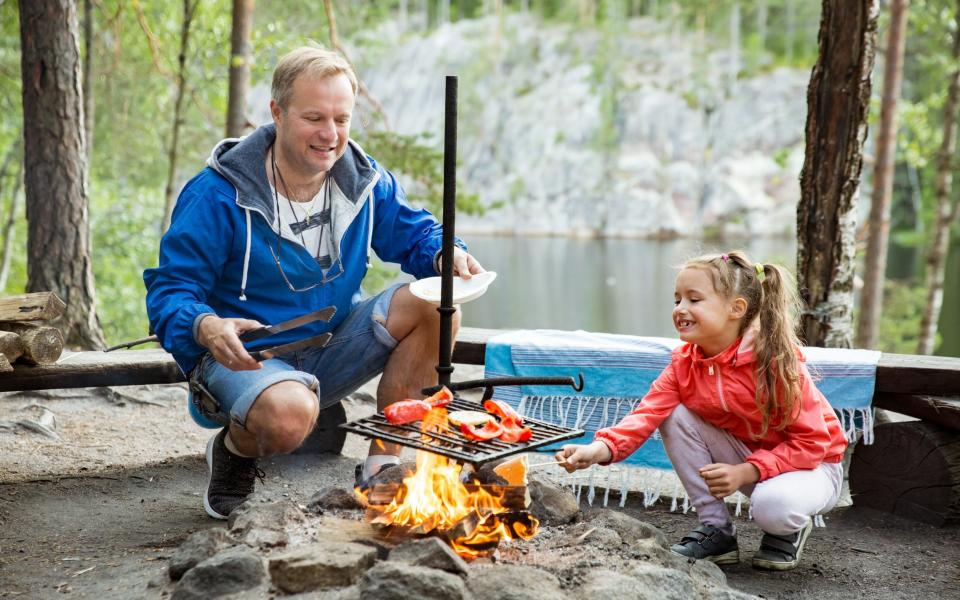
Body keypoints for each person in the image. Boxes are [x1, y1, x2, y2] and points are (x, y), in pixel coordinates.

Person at [144, 47, 484, 520]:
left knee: (436, 303)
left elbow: (416, 233)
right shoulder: (218, 194)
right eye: (314, 117)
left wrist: (445, 252)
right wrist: (204, 325)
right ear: (277, 113)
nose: (330, 135)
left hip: (332, 344)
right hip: (246, 357)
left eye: (341, 119)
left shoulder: (364, 181)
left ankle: (382, 466)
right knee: (287, 415)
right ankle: (235, 451)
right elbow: (170, 292)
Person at [555, 251, 847, 571]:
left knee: (773, 508)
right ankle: (717, 529)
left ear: (737, 309)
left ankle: (788, 529)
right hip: (753, 462)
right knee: (673, 413)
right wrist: (598, 449)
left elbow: (813, 444)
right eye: (677, 299)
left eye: (694, 300)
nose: (681, 309)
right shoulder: (685, 362)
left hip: (813, 468)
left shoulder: (774, 363)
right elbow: (647, 412)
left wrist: (746, 471)